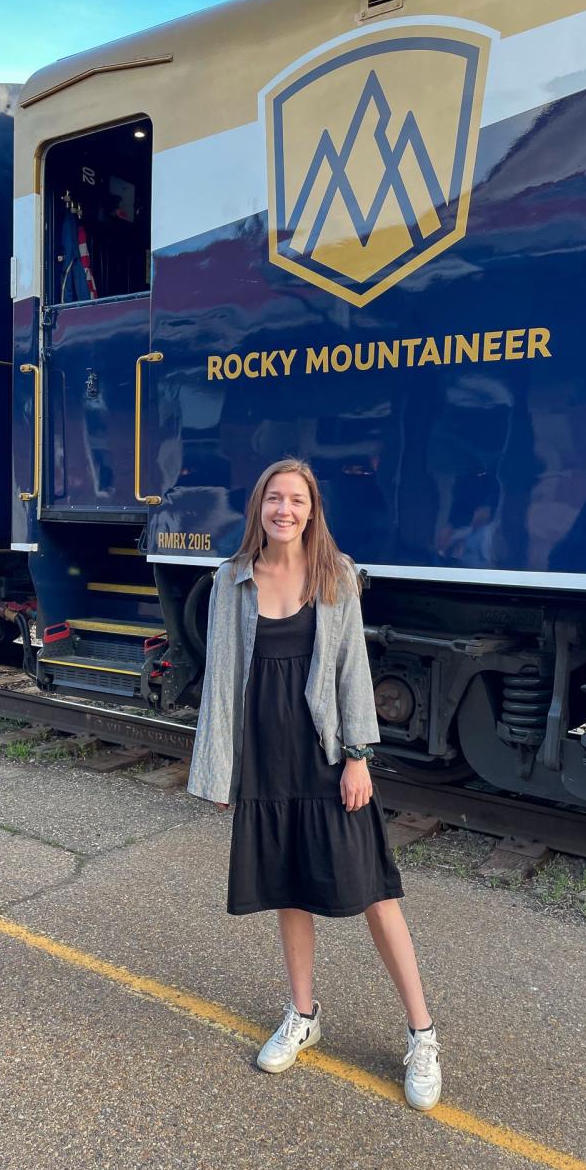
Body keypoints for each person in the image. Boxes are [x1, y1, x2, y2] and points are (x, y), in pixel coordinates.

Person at [187, 457, 441, 1112]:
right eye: (275, 498)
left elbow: (354, 672)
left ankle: (422, 1035)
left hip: (327, 759)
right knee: (288, 889)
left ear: (311, 509)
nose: (285, 510)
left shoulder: (336, 575)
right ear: (259, 507)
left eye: (296, 500)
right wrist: (222, 769)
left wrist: (359, 755)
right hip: (267, 760)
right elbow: (220, 680)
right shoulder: (231, 581)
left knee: (376, 894)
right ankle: (302, 1014)